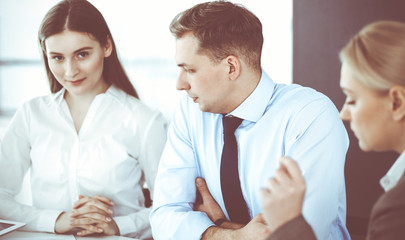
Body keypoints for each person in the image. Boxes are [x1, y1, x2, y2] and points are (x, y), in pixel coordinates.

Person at [150, 1, 350, 239]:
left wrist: (216, 223)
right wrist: (237, 235)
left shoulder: (309, 116)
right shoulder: (190, 111)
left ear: (231, 67)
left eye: (190, 70)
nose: (179, 84)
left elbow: (299, 235)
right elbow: (164, 218)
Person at [0, 0, 167, 238]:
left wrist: (117, 226)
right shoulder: (31, 114)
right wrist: (57, 220)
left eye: (82, 54)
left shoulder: (144, 120)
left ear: (107, 47)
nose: (70, 71)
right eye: (58, 58)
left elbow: (171, 206)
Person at [261, 20, 405, 240]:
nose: (343, 114)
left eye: (353, 99)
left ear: (396, 103)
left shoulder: (397, 211)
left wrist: (289, 226)